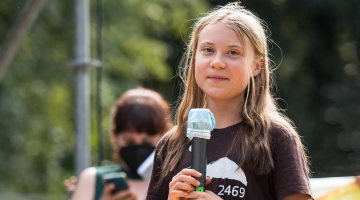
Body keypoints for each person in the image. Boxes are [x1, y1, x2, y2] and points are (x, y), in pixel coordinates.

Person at [146, 2, 313, 200]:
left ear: (256, 66)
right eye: (207, 50)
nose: (217, 62)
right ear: (194, 59)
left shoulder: (277, 138)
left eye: (233, 52)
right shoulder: (170, 145)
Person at [70, 88, 173, 200]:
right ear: (115, 135)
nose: (138, 149)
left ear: (165, 135)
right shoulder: (92, 179)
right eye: (129, 142)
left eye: (147, 142)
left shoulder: (176, 181)